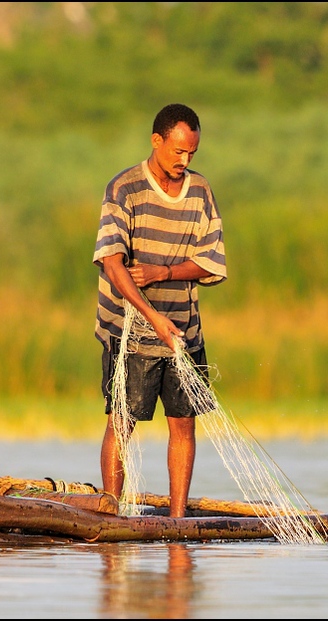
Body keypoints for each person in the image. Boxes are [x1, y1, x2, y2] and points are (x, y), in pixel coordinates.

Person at [93, 103, 226, 518]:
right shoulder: (124, 189)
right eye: (178, 152)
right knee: (123, 420)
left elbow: (210, 263)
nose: (184, 162)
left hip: (183, 329)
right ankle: (111, 513)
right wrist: (154, 319)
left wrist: (162, 271)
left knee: (183, 423)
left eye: (192, 155)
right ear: (157, 141)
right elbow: (112, 264)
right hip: (131, 329)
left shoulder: (200, 191)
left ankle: (178, 520)